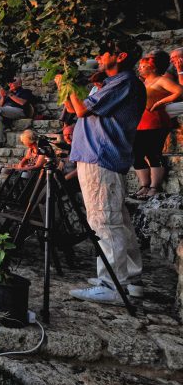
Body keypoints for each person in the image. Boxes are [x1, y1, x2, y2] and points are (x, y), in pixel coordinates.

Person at [56, 37, 146, 305]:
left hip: (101, 156)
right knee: (117, 219)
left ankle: (113, 284)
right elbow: (74, 108)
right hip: (96, 155)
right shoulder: (109, 83)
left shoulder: (125, 81)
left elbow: (82, 109)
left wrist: (71, 83)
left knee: (104, 221)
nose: (98, 55)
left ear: (120, 56)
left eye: (103, 52)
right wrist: (64, 87)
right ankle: (130, 279)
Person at [132, 51, 183, 199]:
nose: (140, 68)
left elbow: (180, 91)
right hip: (141, 122)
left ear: (153, 68)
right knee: (137, 154)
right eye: (140, 66)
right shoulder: (144, 82)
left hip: (156, 122)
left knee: (153, 153)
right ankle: (144, 186)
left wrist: (161, 102)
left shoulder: (161, 80)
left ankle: (154, 187)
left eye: (143, 66)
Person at [168, 48, 183, 117]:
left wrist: (180, 71)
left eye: (174, 57)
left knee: (164, 111)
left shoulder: (179, 68)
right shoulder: (173, 68)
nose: (171, 61)